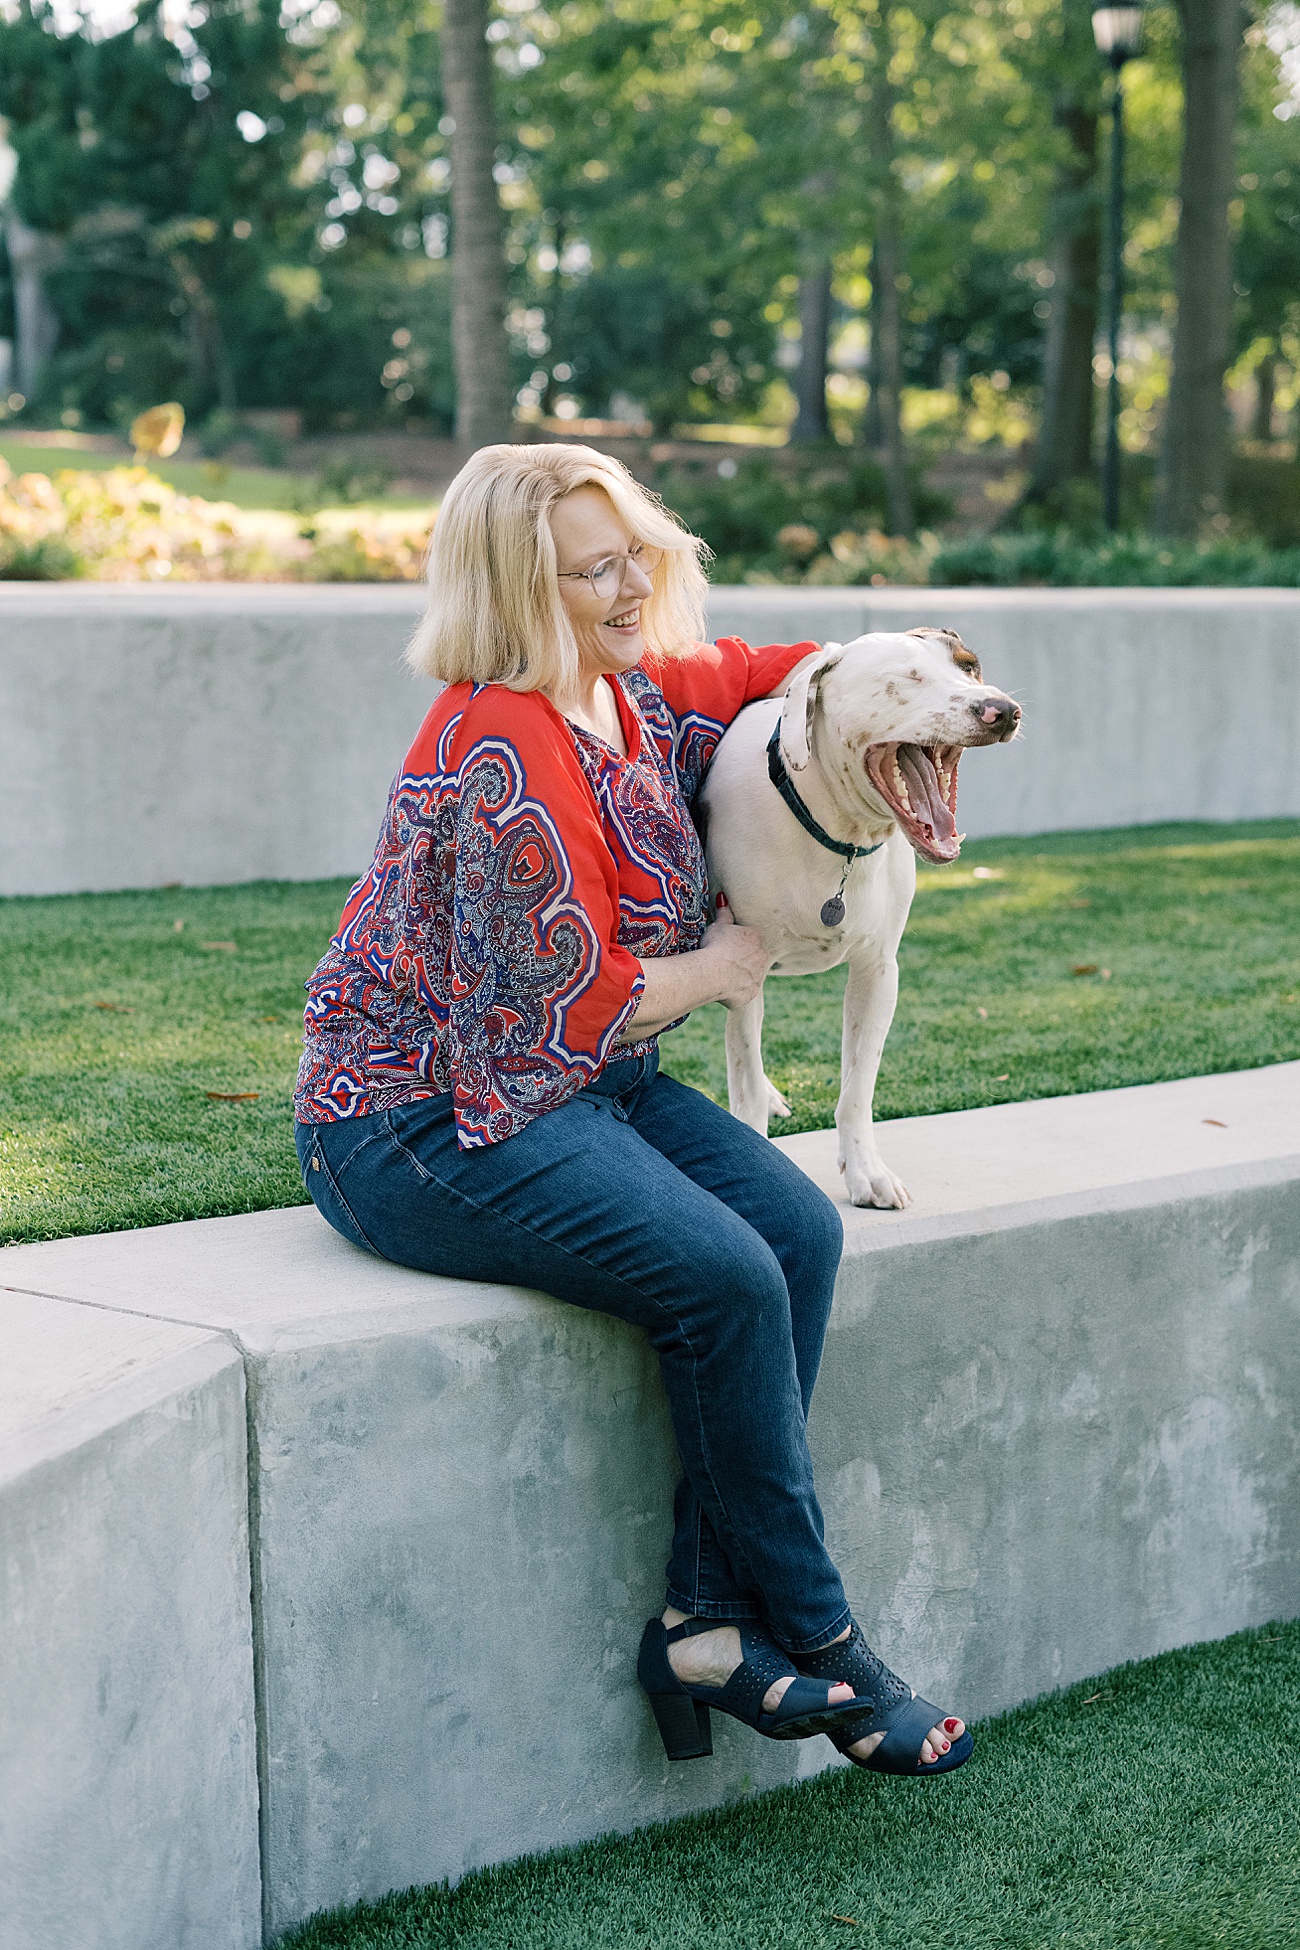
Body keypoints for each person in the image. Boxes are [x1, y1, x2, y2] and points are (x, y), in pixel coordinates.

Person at [293, 442, 971, 1776]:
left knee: (801, 1233)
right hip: (416, 1117)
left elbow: (769, 669)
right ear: (517, 589)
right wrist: (722, 971)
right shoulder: (504, 737)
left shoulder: (628, 683)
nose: (633, 582)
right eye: (597, 568)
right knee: (725, 1275)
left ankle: (705, 1623)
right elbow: (543, 1007)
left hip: (581, 1080)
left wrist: (910, 675)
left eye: (637, 553)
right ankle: (824, 1638)